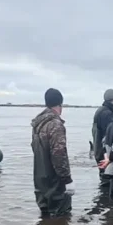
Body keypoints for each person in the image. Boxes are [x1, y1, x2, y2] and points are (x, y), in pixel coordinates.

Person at [30, 88, 73, 217]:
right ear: (60, 104)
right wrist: (67, 180)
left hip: (40, 184)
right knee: (61, 222)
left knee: (45, 222)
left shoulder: (37, 125)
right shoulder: (56, 125)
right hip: (55, 186)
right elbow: (59, 155)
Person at [92, 89, 113, 187]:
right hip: (103, 154)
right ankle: (106, 201)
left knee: (104, 178)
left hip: (98, 151)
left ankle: (102, 201)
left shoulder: (100, 111)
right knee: (107, 182)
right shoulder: (106, 113)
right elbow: (107, 137)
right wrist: (108, 155)